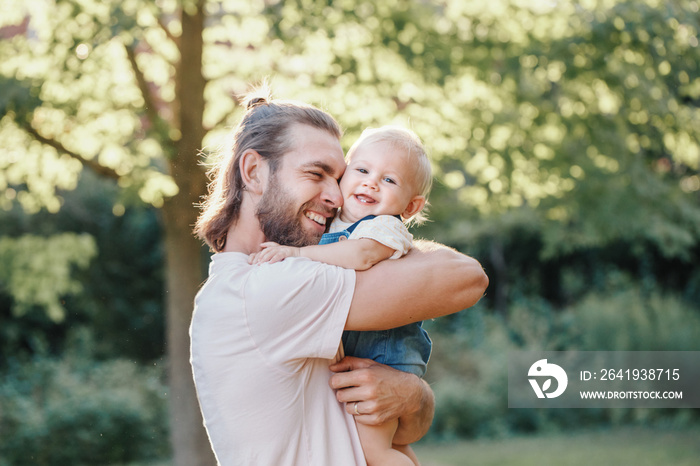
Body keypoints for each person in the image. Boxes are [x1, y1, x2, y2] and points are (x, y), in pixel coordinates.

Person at [190, 87, 489, 466]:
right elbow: (465, 277)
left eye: (339, 177)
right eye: (316, 174)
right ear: (253, 172)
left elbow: (400, 426)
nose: (336, 196)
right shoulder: (268, 287)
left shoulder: (264, 279)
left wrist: (413, 396)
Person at [249, 125, 434, 465]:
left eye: (389, 180)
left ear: (410, 206)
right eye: (362, 170)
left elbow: (359, 256)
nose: (371, 182)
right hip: (355, 355)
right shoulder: (330, 223)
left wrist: (296, 255)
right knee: (380, 446)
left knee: (372, 451)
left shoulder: (384, 227)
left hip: (382, 357)